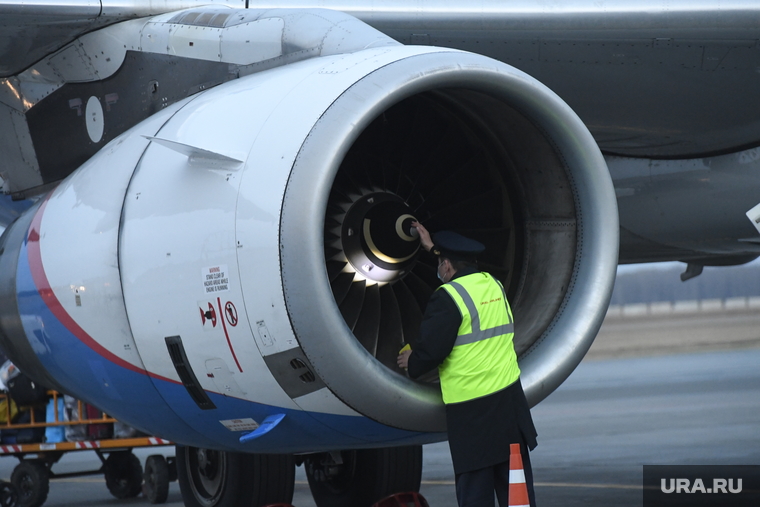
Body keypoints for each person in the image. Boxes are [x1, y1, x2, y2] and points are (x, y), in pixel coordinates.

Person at [397, 222, 538, 507]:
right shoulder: (493, 285)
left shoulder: (448, 298)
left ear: (447, 267)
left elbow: (431, 351)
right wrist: (433, 248)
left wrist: (412, 359)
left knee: (475, 496)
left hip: (474, 419)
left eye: (440, 262)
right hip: (510, 411)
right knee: (518, 496)